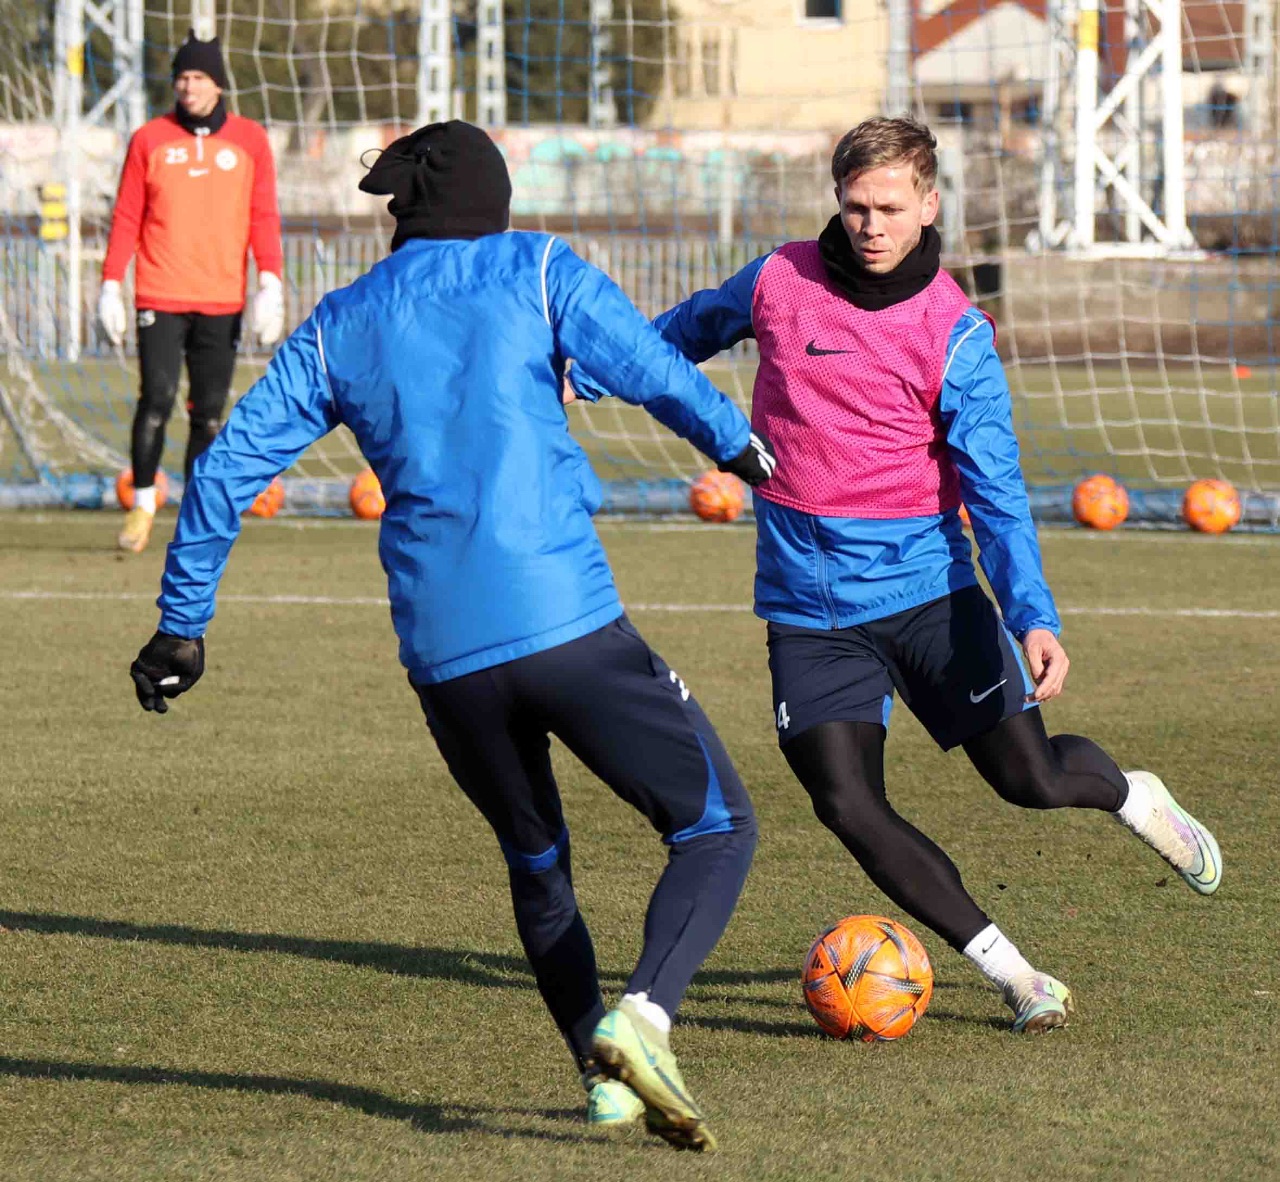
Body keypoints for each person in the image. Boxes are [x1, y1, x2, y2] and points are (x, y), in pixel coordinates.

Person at [127, 120, 776, 1152]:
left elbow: (225, 467)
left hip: (442, 658)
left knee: (538, 862)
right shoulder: (536, 268)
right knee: (716, 828)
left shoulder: (343, 321)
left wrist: (181, 627)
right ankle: (643, 1021)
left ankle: (602, 1083)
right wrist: (735, 441)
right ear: (494, 202)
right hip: (562, 622)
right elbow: (647, 366)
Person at [574, 116, 1221, 1034]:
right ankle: (1018, 977)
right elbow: (682, 332)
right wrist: (586, 373)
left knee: (1031, 780)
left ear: (928, 205)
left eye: (888, 206)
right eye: (855, 206)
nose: (871, 224)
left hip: (930, 598)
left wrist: (1032, 614)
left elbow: (996, 491)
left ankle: (1133, 795)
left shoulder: (955, 332)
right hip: (808, 613)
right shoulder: (778, 279)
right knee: (846, 803)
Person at [99, 30, 285, 555]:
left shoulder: (250, 140)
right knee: (156, 398)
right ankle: (142, 505)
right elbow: (127, 215)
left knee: (208, 413)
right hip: (159, 293)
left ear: (218, 84)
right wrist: (110, 283)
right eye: (182, 76)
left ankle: (194, 517)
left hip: (222, 297)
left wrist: (270, 281)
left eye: (199, 76)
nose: (189, 86)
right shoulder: (149, 139)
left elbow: (263, 215)